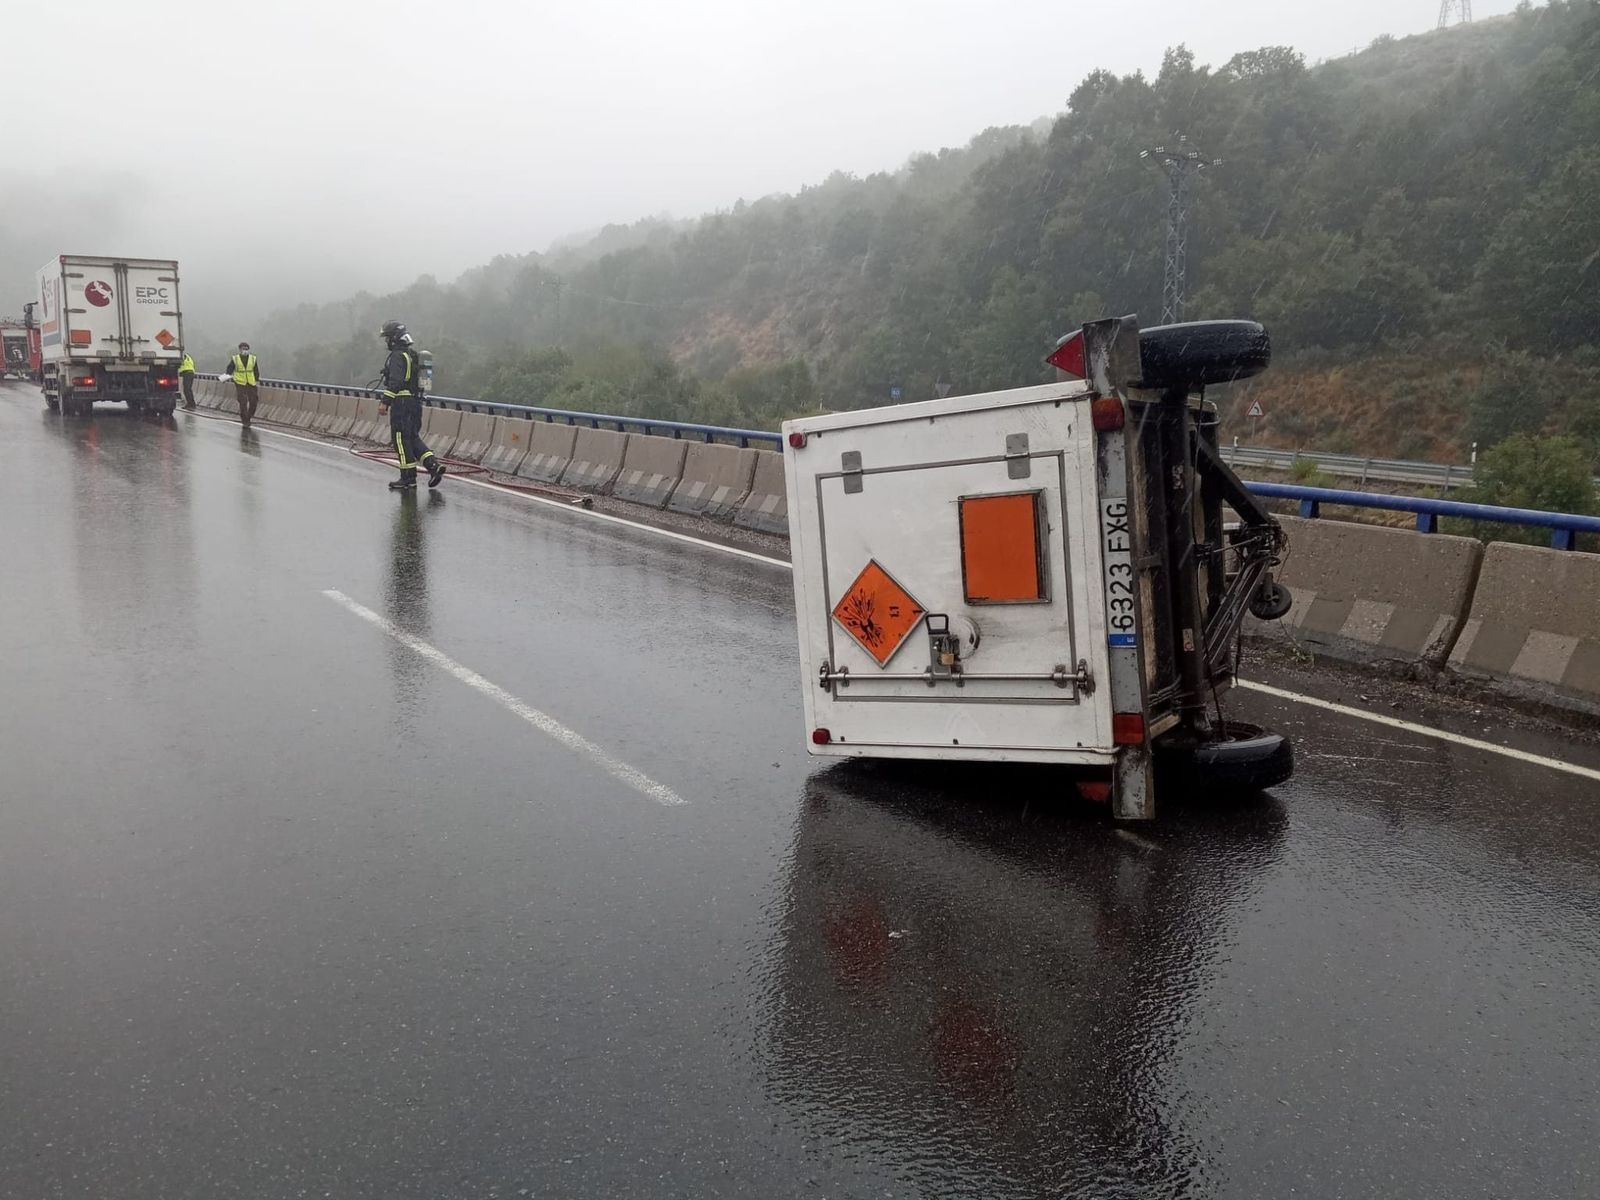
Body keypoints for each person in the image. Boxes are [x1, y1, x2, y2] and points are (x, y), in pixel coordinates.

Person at [377, 320, 444, 491]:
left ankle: (407, 478)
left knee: (400, 439)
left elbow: (396, 381)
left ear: (394, 338)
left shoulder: (397, 356)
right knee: (412, 438)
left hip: (402, 403)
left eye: (388, 338)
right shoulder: (412, 355)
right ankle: (433, 466)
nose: (387, 341)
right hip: (415, 402)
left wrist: (385, 402)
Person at [223, 341, 260, 429]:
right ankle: (245, 420)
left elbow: (256, 370)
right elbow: (230, 368)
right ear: (240, 349)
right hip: (239, 382)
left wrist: (257, 379)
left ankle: (249, 416)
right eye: (243, 349)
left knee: (254, 400)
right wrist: (226, 376)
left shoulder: (253, 358)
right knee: (243, 401)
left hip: (251, 382)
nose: (245, 351)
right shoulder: (235, 358)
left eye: (247, 349)